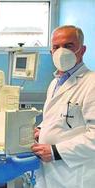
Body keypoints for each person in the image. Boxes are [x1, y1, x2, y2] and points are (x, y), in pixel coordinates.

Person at [31, 25, 95, 188]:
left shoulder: (91, 83)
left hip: (74, 174)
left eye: (68, 46)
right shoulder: (55, 83)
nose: (61, 51)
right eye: (56, 47)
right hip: (50, 171)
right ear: (51, 52)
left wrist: (56, 152)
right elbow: (55, 117)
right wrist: (41, 130)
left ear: (82, 50)